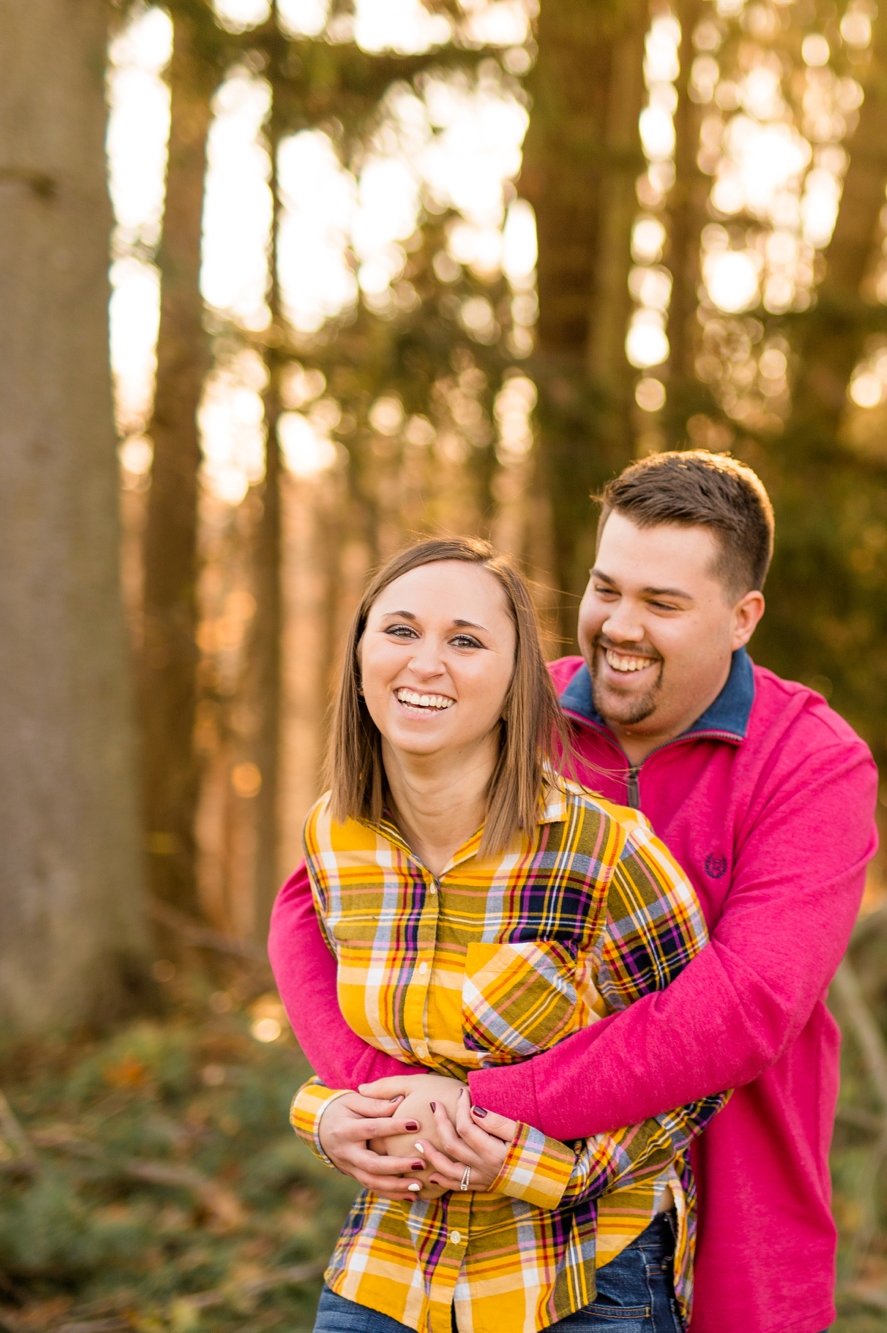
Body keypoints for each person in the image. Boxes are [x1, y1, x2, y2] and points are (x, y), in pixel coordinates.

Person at [271, 452, 880, 1333]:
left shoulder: (809, 760)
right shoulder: (513, 704)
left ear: (743, 617)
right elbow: (314, 899)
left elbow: (750, 1002)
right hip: (498, 1226)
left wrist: (482, 1103)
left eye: (663, 604)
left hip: (734, 1207)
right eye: (606, 589)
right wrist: (387, 1093)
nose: (619, 627)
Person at [282, 534, 724, 1333]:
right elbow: (379, 1062)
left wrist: (538, 1165)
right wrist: (331, 1118)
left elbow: (696, 1069)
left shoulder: (604, 852)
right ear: (359, 656)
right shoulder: (335, 839)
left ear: (518, 681)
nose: (425, 662)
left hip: (582, 1274)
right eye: (401, 630)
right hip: (393, 1263)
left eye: (465, 640)